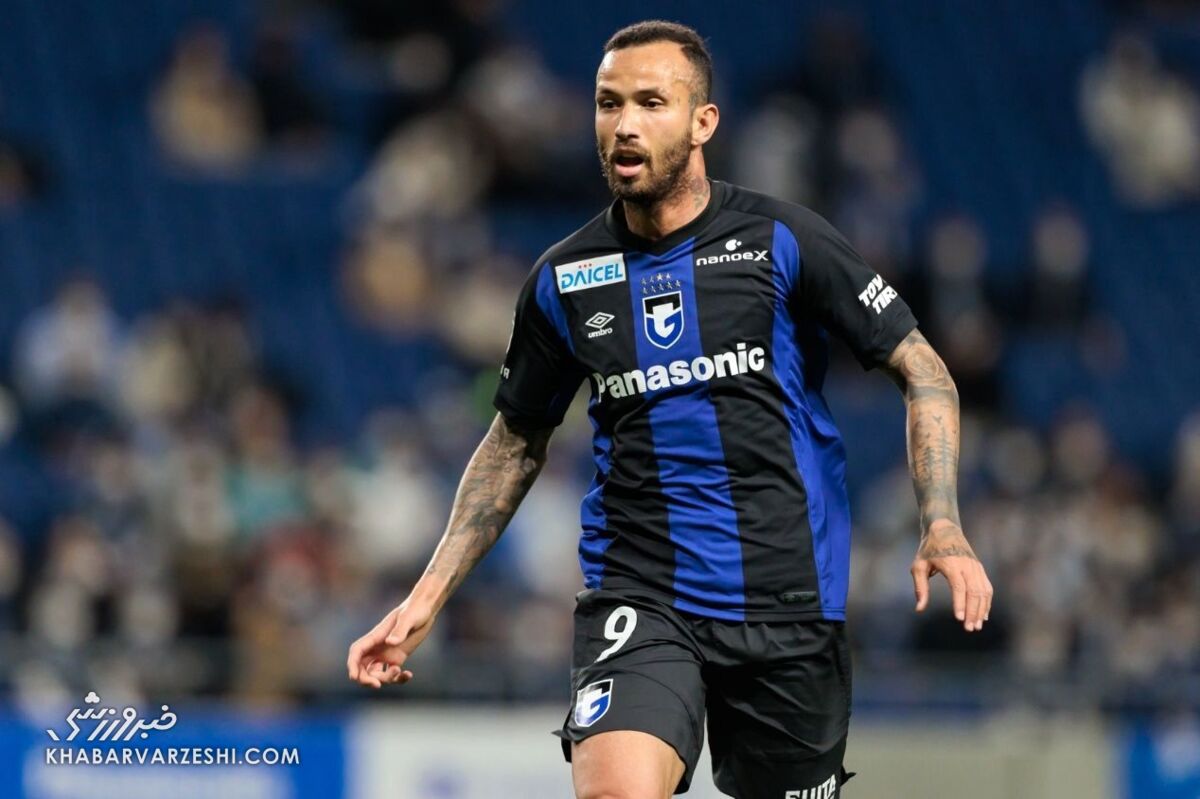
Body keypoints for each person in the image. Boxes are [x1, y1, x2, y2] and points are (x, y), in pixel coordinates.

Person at [347, 20, 993, 798]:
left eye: (651, 103)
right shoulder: (564, 279)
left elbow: (925, 371)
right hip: (641, 595)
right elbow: (514, 442)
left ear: (702, 122)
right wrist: (425, 598)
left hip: (788, 600)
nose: (624, 124)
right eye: (608, 103)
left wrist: (942, 521)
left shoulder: (783, 240)